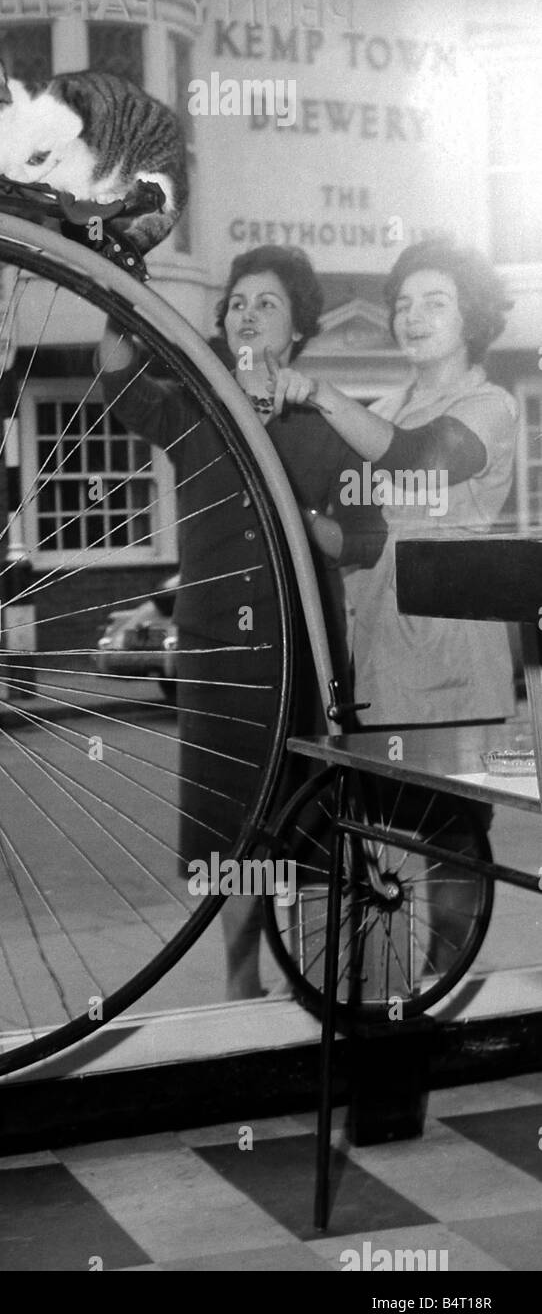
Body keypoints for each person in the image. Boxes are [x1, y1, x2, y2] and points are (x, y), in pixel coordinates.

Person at [97, 245, 387, 1000]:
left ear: (297, 331)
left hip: (304, 649)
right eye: (237, 303)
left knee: (314, 816)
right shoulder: (196, 403)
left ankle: (319, 985)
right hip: (220, 653)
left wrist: (309, 521)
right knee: (232, 826)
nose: (248, 314)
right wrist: (118, 278)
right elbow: (118, 374)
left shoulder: (327, 420)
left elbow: (362, 541)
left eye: (268, 304)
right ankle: (241, 986)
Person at [265, 238, 517, 978]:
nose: (412, 317)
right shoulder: (388, 408)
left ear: (470, 318)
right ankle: (398, 1037)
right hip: (382, 668)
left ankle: (443, 1018)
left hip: (455, 676)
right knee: (386, 864)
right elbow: (358, 542)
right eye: (404, 304)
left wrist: (321, 395)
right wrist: (295, 508)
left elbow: (417, 461)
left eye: (434, 303)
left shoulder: (489, 406)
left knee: (451, 857)